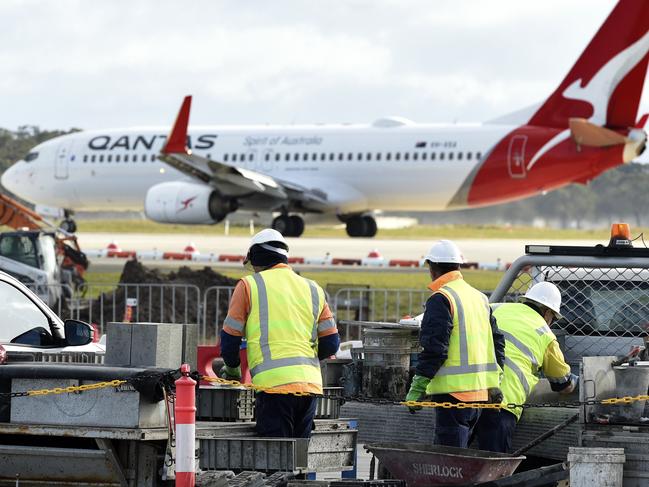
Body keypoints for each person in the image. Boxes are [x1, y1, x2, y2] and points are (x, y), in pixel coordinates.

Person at [219, 228, 340, 438]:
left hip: (273, 387)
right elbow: (331, 343)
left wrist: (232, 370)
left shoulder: (249, 285)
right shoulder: (313, 288)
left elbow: (230, 340)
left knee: (276, 460)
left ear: (257, 258)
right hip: (309, 387)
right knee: (298, 459)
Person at [405, 239, 506, 448]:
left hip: (453, 398)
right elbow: (497, 342)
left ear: (432, 269)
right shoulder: (479, 298)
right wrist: (496, 382)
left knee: (450, 463)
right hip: (480, 396)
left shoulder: (441, 298)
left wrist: (418, 385)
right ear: (459, 266)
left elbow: (435, 348)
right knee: (462, 462)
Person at [473, 281, 577, 453]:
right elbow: (562, 384)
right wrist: (576, 382)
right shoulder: (545, 334)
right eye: (553, 318)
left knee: (454, 458)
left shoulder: (495, 308)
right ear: (547, 312)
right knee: (494, 466)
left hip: (467, 393)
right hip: (503, 403)